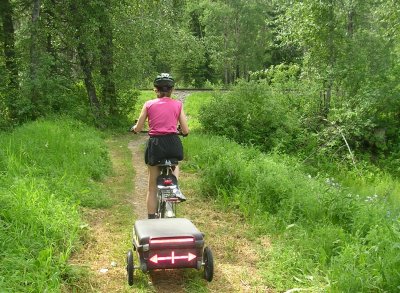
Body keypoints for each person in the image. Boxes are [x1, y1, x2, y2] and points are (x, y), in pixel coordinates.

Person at [131, 73, 189, 219]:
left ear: (155, 89)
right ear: (172, 90)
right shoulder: (178, 104)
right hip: (173, 143)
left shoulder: (149, 104)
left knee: (151, 188)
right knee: (175, 162)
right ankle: (174, 186)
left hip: (156, 144)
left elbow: (138, 127)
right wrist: (182, 131)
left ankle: (151, 219)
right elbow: (186, 130)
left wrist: (135, 129)